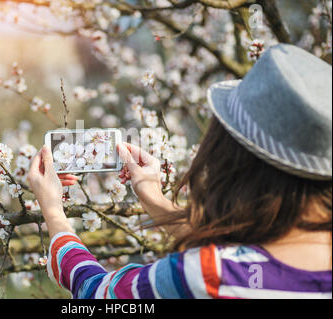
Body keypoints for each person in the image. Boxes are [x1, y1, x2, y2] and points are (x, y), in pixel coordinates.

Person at [27, 44, 332, 299]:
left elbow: (95, 292)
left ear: (233, 158)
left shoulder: (205, 275)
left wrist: (54, 212)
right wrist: (155, 201)